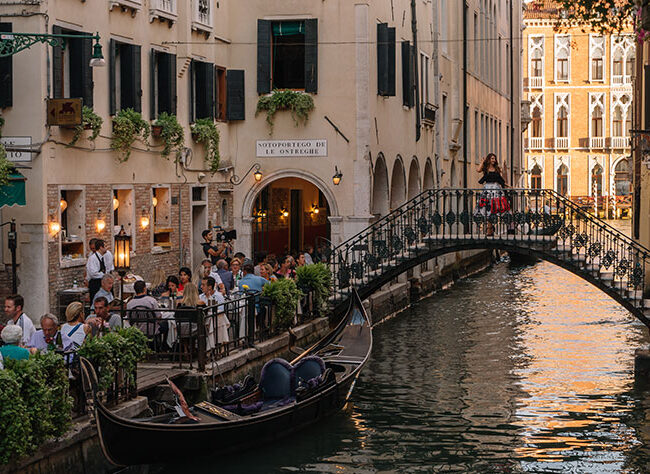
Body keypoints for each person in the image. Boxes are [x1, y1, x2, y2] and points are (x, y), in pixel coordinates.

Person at [475, 153, 510, 236]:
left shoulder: (497, 169)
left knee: (494, 209)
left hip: (496, 189)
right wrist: (482, 162)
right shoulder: (486, 168)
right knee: (487, 209)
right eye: (492, 159)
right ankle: (489, 229)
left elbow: (501, 181)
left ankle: (490, 229)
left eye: (494, 159)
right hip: (487, 190)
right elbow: (478, 170)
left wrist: (509, 186)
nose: (493, 160)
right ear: (489, 160)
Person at [200, 277, 229, 344]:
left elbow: (221, 311)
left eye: (203, 285)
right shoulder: (201, 297)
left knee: (218, 323)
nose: (201, 287)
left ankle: (217, 344)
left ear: (209, 287)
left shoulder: (218, 296)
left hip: (215, 320)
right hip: (203, 321)